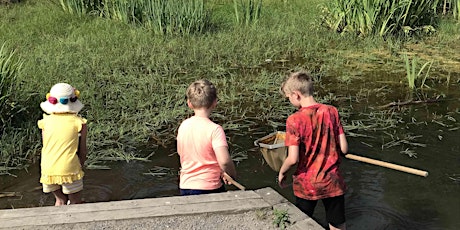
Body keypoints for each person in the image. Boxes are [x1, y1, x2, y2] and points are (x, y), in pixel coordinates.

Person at [277, 71, 349, 230]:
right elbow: (344, 148)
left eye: (288, 97)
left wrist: (282, 172)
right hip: (332, 182)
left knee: (301, 224)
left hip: (307, 184)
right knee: (337, 225)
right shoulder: (332, 111)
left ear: (296, 95)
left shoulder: (294, 120)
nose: (289, 101)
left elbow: (293, 158)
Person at [177, 79, 237, 196]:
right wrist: (231, 174)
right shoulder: (215, 130)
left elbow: (182, 153)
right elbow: (224, 161)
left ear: (189, 103)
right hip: (210, 186)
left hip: (185, 185)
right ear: (214, 102)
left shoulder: (183, 126)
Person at [38, 83, 87, 206]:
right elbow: (82, 150)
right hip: (69, 168)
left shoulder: (45, 122)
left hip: (48, 169)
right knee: (75, 201)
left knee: (60, 201)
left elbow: (46, 146)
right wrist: (80, 165)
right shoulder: (79, 123)